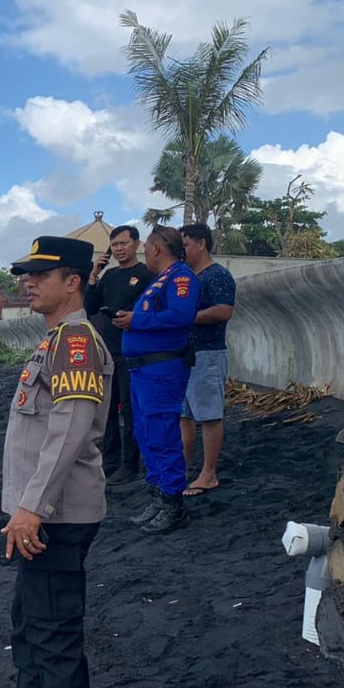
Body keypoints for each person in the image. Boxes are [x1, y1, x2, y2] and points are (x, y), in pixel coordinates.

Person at [0, 235, 114, 688]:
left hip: (57, 517)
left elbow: (69, 430)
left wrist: (32, 508)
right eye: (26, 274)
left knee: (55, 638)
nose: (28, 282)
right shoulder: (55, 340)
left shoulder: (78, 342)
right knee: (29, 626)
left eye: (42, 274)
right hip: (38, 513)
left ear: (74, 282)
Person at [113, 226, 199, 535]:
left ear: (157, 249)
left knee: (162, 433)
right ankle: (159, 495)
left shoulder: (181, 278)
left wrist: (137, 320)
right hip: (143, 370)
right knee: (146, 432)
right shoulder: (160, 280)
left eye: (146, 248)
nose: (144, 253)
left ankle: (173, 503)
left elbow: (181, 316)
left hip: (161, 369)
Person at [84, 225, 151, 485]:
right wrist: (94, 275)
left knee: (130, 410)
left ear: (137, 244)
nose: (119, 249)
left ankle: (130, 463)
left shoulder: (146, 274)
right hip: (108, 351)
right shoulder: (110, 275)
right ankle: (109, 461)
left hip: (133, 351)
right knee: (107, 411)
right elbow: (90, 307)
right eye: (115, 245)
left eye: (124, 243)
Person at [180, 224, 236, 497]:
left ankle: (209, 473)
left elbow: (224, 311)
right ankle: (181, 469)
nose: (182, 252)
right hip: (187, 353)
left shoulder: (218, 275)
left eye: (186, 245)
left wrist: (187, 318)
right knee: (185, 415)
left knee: (210, 415)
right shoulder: (188, 277)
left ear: (201, 243)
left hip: (208, 353)